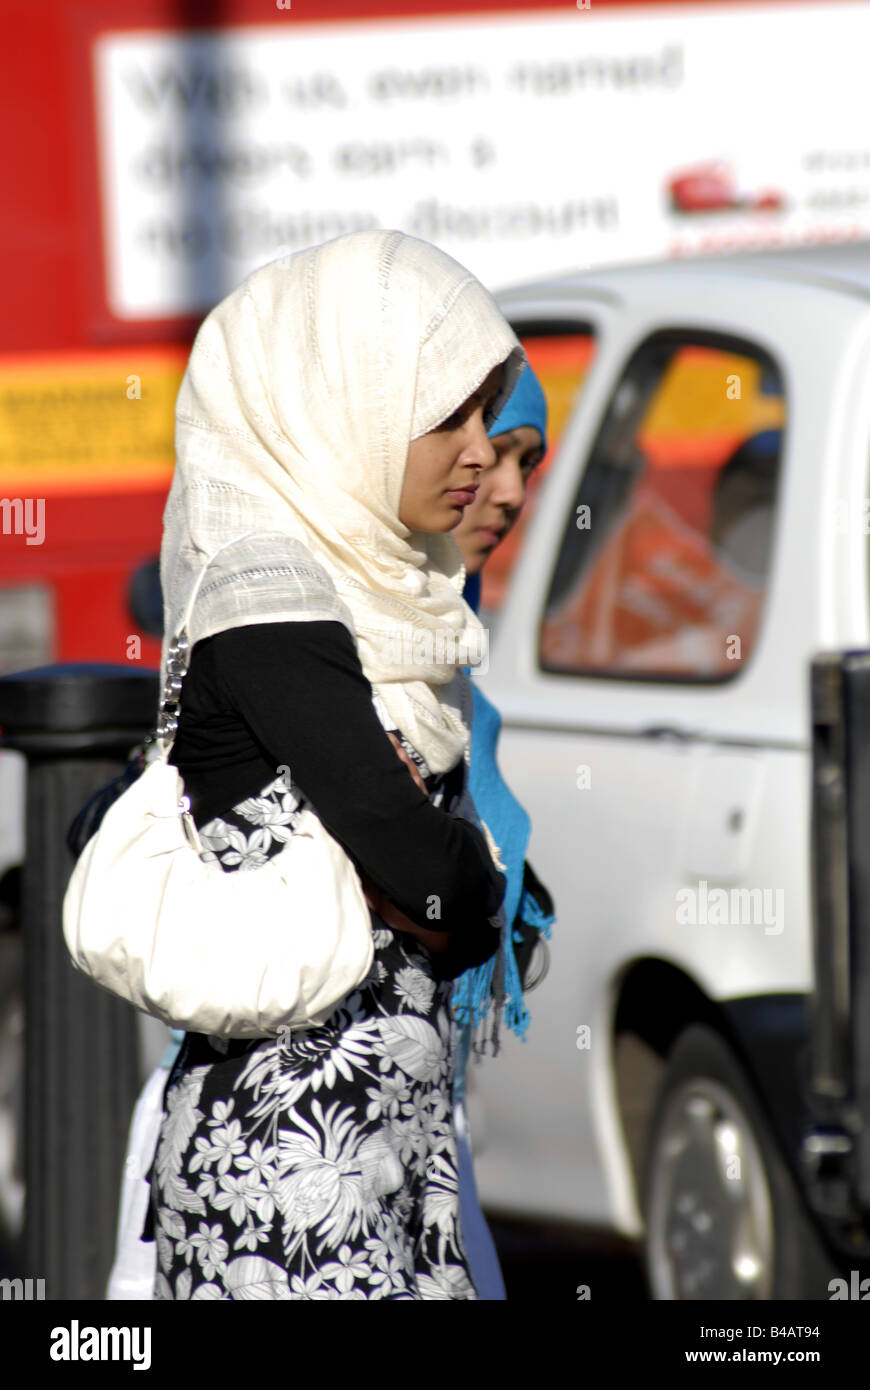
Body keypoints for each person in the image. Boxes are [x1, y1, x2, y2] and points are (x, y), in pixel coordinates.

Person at [138, 229, 529, 1300]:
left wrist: (444, 886)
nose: (478, 452)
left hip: (388, 1150)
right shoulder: (267, 596)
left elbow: (424, 882)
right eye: (445, 414)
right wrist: (469, 883)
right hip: (288, 1178)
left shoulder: (383, 596)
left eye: (488, 418)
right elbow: (423, 860)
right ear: (342, 396)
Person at [447, 364, 555, 1300]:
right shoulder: (337, 638)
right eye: (490, 455)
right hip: (302, 1140)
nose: (514, 493)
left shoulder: (449, 637)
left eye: (528, 460)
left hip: (419, 1118)